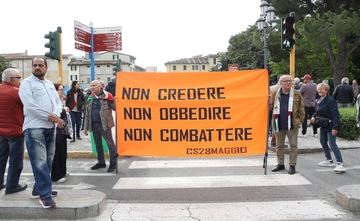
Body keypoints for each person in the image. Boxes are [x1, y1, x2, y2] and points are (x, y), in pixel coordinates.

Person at [19, 57, 64, 209]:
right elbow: (30, 105)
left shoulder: (50, 84)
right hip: (34, 127)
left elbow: (58, 103)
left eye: (40, 65)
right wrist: (49, 116)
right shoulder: (26, 83)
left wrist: (55, 115)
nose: (37, 67)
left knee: (48, 160)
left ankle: (38, 189)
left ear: (46, 68)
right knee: (40, 162)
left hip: (50, 127)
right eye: (34, 65)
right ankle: (45, 196)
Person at [270, 75, 305, 175]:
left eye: (290, 81)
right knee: (279, 146)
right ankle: (280, 164)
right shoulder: (275, 93)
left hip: (292, 125)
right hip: (278, 124)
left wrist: (299, 121)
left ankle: (292, 165)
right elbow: (270, 107)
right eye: (286, 81)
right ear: (281, 83)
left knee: (293, 145)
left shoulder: (296, 94)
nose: (289, 83)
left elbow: (301, 108)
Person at [0, 68, 27, 194]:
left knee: (1, 158)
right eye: (19, 78)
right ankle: (12, 185)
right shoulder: (17, 92)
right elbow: (26, 109)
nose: (19, 80)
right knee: (15, 160)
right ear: (13, 79)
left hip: (1, 132)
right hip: (15, 131)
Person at [310, 83, 346, 172]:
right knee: (323, 141)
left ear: (326, 90)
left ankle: (340, 163)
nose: (319, 91)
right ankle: (329, 160)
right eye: (318, 89)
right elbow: (318, 111)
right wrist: (314, 116)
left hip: (331, 125)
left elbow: (335, 115)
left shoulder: (330, 100)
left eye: (322, 89)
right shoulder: (319, 100)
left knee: (332, 144)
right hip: (323, 125)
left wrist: (335, 128)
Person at [84, 80, 117, 172]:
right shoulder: (91, 97)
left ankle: (113, 163)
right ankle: (101, 162)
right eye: (91, 85)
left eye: (94, 85)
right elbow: (87, 113)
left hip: (105, 124)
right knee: (98, 144)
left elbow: (115, 108)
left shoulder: (107, 96)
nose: (92, 87)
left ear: (100, 86)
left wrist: (116, 100)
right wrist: (86, 127)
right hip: (94, 124)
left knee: (110, 144)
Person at [51, 83, 71, 183]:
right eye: (60, 89)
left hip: (62, 131)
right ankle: (56, 175)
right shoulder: (53, 101)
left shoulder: (61, 100)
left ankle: (62, 171)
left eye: (63, 89)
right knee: (57, 153)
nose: (62, 91)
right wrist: (64, 110)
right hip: (56, 131)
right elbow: (56, 114)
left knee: (63, 152)